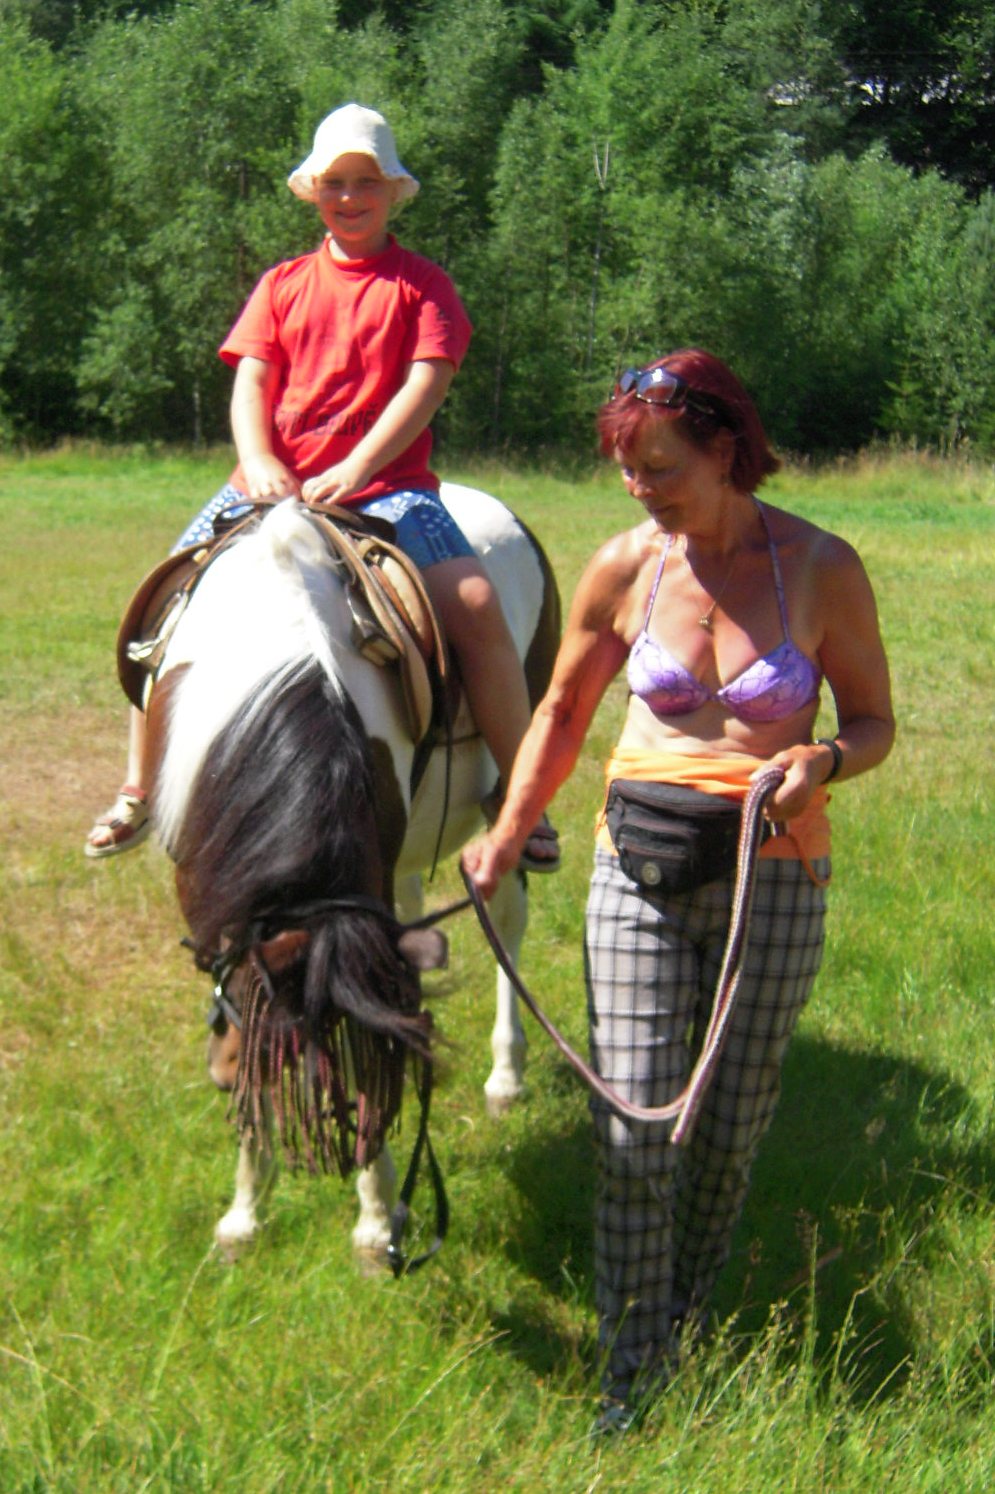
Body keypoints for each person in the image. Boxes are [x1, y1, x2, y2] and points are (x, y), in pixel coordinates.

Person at [461, 348, 894, 1430]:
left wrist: (823, 760)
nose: (638, 489)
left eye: (659, 467)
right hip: (636, 871)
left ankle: (684, 1317)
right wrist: (506, 834)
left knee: (728, 1132)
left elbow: (874, 721)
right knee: (630, 1130)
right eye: (626, 468)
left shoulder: (820, 566)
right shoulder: (624, 568)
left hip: (773, 878)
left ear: (725, 450)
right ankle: (630, 1362)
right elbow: (562, 713)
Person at [85, 103, 559, 874]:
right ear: (313, 192)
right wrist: (257, 457)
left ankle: (517, 793)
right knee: (163, 605)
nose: (349, 197)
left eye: (365, 182)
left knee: (475, 606)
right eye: (334, 183)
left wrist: (362, 464)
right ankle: (141, 786)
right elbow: (252, 381)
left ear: (393, 191)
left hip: (388, 489)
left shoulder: (422, 285)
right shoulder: (281, 284)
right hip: (269, 486)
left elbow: (426, 385)